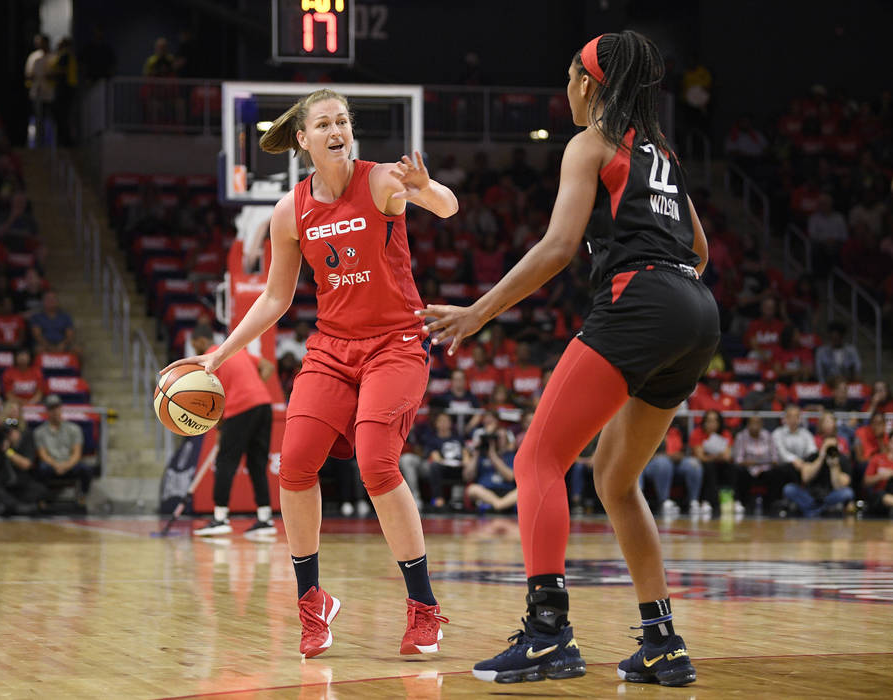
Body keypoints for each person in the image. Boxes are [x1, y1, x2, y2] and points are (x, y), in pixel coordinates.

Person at [422, 32, 714, 686]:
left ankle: (548, 631)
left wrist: (477, 313)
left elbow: (558, 247)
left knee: (536, 460)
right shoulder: (661, 151)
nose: (566, 90)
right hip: (696, 310)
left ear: (591, 84)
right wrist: (667, 290)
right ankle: (662, 641)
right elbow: (699, 247)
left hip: (642, 302)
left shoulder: (591, 144)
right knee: (614, 479)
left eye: (570, 77)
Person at [161, 88, 458, 658]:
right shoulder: (288, 210)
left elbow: (446, 207)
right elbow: (274, 298)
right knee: (293, 464)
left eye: (343, 120)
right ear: (303, 139)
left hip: (394, 345)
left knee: (376, 462)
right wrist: (219, 355)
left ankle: (423, 607)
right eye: (323, 123)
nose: (336, 129)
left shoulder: (380, 182)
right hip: (331, 349)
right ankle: (312, 601)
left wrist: (426, 189)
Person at [189, 325, 279, 538]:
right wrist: (254, 388)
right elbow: (268, 367)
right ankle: (265, 519)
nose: (196, 351)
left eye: (195, 346)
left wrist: (220, 426)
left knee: (225, 462)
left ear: (202, 341)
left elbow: (214, 396)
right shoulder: (235, 350)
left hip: (240, 409)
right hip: (263, 405)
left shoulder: (211, 358)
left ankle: (220, 518)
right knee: (257, 463)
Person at [782, 411, 854, 517]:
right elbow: (805, 478)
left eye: (833, 446)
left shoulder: (842, 459)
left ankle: (813, 510)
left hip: (830, 495)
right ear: (822, 445)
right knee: (789, 489)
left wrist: (834, 466)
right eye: (827, 446)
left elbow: (839, 485)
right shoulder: (814, 456)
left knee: (848, 492)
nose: (830, 449)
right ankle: (822, 510)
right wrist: (821, 457)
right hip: (811, 495)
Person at [34, 394, 92, 498]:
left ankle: (83, 496)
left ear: (61, 408)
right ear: (47, 411)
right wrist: (56, 465)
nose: (55, 411)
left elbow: (77, 454)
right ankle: (43, 498)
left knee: (86, 469)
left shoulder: (74, 429)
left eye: (57, 407)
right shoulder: (39, 432)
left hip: (69, 464)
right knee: (41, 468)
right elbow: (42, 455)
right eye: (51, 408)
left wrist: (66, 466)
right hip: (51, 465)